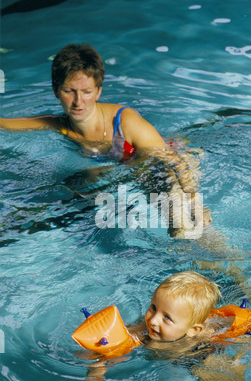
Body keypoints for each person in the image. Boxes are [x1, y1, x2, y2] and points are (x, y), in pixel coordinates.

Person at [0, 43, 211, 236]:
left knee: (184, 224)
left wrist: (195, 201)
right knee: (77, 185)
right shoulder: (59, 125)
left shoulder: (125, 122)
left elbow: (172, 160)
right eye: (69, 91)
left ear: (98, 91)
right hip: (130, 168)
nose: (78, 102)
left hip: (171, 161)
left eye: (87, 92)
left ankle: (230, 267)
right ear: (56, 91)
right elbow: (6, 123)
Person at [79, 271, 249, 381]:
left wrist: (241, 350)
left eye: (167, 318)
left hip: (195, 352)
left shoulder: (205, 333)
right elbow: (102, 358)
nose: (153, 320)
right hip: (174, 355)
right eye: (153, 307)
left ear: (193, 329)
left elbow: (238, 327)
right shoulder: (142, 332)